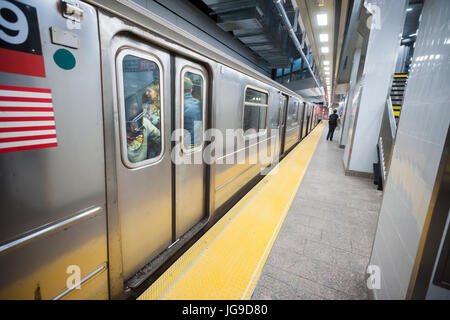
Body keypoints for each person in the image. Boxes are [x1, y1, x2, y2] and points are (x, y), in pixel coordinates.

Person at [183, 76, 202, 147]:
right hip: (198, 143)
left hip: (184, 145)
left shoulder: (176, 105)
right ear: (191, 90)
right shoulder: (199, 104)